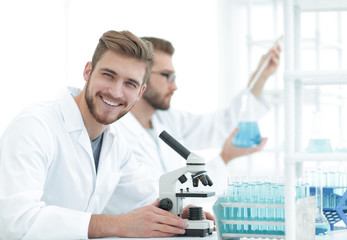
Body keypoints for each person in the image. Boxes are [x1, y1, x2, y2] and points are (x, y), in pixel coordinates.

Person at [0, 30, 198, 239]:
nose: (115, 92)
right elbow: (14, 222)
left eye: (130, 83)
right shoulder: (35, 126)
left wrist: (178, 213)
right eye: (108, 75)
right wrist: (117, 224)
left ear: (140, 93)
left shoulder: (116, 142)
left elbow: (143, 199)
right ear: (88, 71)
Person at [103, 37, 281, 215]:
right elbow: (158, 200)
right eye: (167, 76)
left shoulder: (166, 119)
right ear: (140, 75)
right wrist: (225, 158)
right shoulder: (115, 133)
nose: (174, 87)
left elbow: (224, 123)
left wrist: (261, 77)